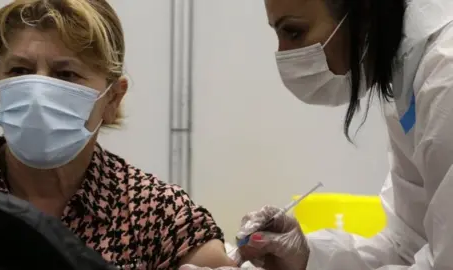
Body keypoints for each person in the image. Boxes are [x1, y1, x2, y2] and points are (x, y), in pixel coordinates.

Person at [183, 0, 453, 269]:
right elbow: (407, 246)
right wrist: (306, 256)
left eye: (294, 31)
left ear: (364, 12)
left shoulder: (445, 77)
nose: (284, 55)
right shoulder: (409, 74)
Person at [0, 0, 236, 269]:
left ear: (112, 99)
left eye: (66, 74)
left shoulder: (158, 215)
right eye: (20, 71)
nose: (38, 95)